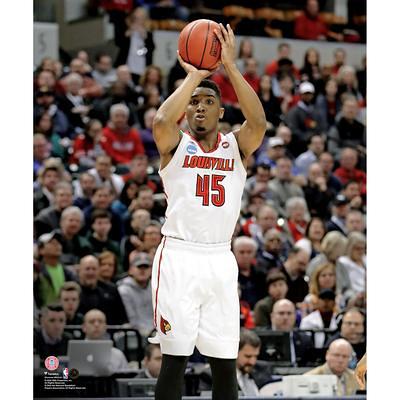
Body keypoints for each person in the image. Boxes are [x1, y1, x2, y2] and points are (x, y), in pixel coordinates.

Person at [149, 23, 267, 400]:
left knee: (224, 361)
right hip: (179, 255)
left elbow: (259, 122)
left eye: (208, 101)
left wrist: (230, 67)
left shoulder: (237, 146)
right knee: (176, 358)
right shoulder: (175, 145)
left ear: (220, 111)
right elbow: (162, 121)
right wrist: (196, 76)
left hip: (220, 256)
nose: (199, 106)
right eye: (194, 102)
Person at [77, 255, 128, 325]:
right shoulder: (73, 291)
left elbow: (123, 318)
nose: (91, 273)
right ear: (80, 271)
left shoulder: (111, 290)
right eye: (87, 269)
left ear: (98, 271)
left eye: (94, 269)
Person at [34, 231, 77, 308]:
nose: (57, 245)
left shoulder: (68, 272)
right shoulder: (36, 271)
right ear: (41, 250)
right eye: (52, 243)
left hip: (61, 315)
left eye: (58, 243)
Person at [117, 252, 154, 336]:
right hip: (134, 333)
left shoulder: (156, 289)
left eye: (146, 267)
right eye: (139, 267)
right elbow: (132, 320)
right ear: (131, 270)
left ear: (151, 270)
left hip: (155, 333)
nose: (142, 270)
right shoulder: (123, 290)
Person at [285, 81, 326, 156]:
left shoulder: (315, 111)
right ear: (300, 95)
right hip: (299, 145)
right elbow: (293, 129)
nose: (307, 96)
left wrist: (318, 136)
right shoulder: (294, 111)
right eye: (305, 94)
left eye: (309, 94)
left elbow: (321, 126)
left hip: (315, 142)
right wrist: (308, 137)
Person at [270, 299, 314, 366]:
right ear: (272, 316)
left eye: (289, 313)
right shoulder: (262, 338)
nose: (285, 317)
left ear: (295, 316)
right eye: (281, 313)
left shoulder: (305, 340)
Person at [234, 236, 267, 309]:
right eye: (241, 252)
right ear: (234, 253)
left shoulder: (261, 275)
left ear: (254, 254)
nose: (245, 256)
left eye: (249, 252)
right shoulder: (230, 275)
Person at [235, 329, 262, 396]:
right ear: (235, 353)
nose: (253, 362)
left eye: (256, 356)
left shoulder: (261, 372)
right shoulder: (217, 378)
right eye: (248, 356)